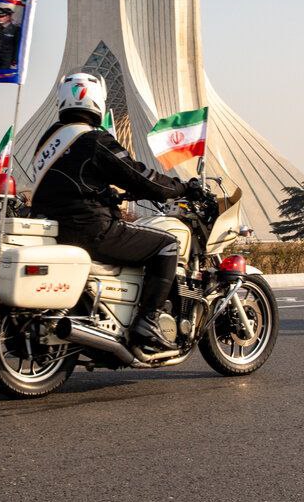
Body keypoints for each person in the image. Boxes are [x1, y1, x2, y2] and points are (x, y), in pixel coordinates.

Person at [30, 72, 200, 349]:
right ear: (98, 100)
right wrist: (181, 188)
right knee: (167, 244)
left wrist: (108, 193)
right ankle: (148, 321)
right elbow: (139, 175)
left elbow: (70, 185)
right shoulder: (94, 139)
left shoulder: (47, 141)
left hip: (51, 228)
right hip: (91, 229)